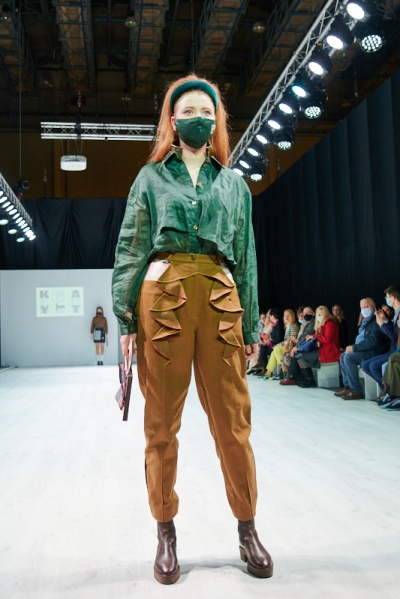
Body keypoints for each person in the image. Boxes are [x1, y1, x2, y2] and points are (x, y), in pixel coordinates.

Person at [111, 74, 273, 584]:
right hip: (162, 300)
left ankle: (247, 528)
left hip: (222, 301)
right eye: (188, 110)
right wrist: (125, 316)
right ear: (173, 120)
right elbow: (132, 245)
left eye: (207, 110)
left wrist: (251, 322)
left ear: (217, 120)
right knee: (161, 424)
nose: (198, 117)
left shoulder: (234, 185)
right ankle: (165, 531)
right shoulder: (150, 178)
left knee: (234, 423)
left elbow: (245, 256)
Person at [334, 297, 388, 400]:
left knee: (348, 357)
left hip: (374, 351)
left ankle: (356, 391)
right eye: (362, 308)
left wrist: (354, 348)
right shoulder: (365, 321)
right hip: (364, 349)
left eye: (366, 307)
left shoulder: (376, 320)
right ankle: (348, 387)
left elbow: (373, 341)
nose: (364, 310)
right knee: (343, 356)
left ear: (373, 307)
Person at [361, 286, 400, 400]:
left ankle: (389, 392)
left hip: (395, 351)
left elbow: (395, 337)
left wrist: (382, 324)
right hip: (393, 350)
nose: (387, 300)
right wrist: (385, 320)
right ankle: (385, 389)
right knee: (365, 365)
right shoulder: (397, 313)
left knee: (374, 366)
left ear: (393, 298)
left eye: (387, 297)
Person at [280, 307, 315, 387]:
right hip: (304, 346)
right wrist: (296, 347)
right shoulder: (307, 324)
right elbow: (302, 337)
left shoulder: (312, 324)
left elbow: (305, 337)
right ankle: (299, 378)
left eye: (307, 313)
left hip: (309, 347)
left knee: (297, 355)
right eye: (304, 313)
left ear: (313, 314)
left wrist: (296, 347)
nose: (305, 315)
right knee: (293, 354)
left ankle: (297, 378)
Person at [262, 309, 299, 379]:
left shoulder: (294, 326)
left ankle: (284, 369)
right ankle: (268, 373)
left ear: (292, 316)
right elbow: (286, 340)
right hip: (286, 346)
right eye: (285, 316)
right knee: (274, 352)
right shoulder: (288, 326)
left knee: (276, 349)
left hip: (290, 347)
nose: (286, 317)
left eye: (288, 316)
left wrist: (279, 344)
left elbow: (290, 339)